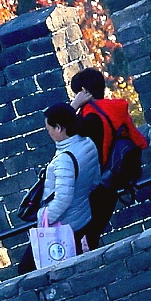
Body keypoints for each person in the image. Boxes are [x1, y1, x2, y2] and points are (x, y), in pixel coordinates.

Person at [71, 64, 150, 237]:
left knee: (80, 242)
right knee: (92, 237)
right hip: (112, 182)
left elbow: (60, 129)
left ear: (83, 92)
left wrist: (73, 106)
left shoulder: (89, 118)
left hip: (92, 189)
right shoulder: (115, 111)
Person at [23, 103, 100, 267]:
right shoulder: (87, 143)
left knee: (28, 268)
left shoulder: (65, 158)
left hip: (63, 226)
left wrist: (42, 216)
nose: (48, 132)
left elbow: (63, 200)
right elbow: (94, 181)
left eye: (49, 128)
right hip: (82, 217)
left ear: (58, 128)